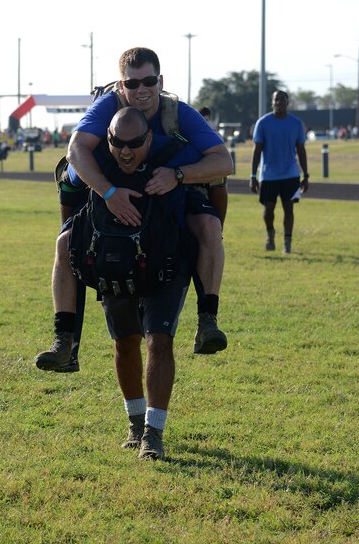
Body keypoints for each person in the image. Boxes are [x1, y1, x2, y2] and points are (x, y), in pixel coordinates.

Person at [35, 47, 233, 374]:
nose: (141, 90)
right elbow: (75, 151)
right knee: (64, 244)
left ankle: (207, 322)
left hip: (169, 187)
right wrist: (108, 193)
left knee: (211, 229)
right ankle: (65, 342)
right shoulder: (106, 108)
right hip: (112, 187)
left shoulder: (178, 113)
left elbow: (223, 161)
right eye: (133, 83)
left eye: (149, 81)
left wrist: (178, 175)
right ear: (120, 86)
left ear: (161, 81)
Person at [85, 107, 192, 460]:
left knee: (159, 342)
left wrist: (177, 174)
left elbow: (221, 167)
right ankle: (134, 422)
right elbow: (69, 181)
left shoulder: (173, 152)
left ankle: (153, 432)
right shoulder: (96, 160)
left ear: (149, 138)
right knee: (125, 343)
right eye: (117, 143)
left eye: (134, 143)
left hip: (166, 267)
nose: (125, 151)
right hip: (116, 267)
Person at [250, 90, 309, 254]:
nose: (279, 103)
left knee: (289, 209)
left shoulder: (296, 123)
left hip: (290, 174)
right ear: (272, 103)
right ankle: (270, 234)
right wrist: (253, 176)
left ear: (287, 103)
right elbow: (257, 150)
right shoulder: (263, 123)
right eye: (276, 100)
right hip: (269, 175)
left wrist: (306, 175)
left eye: (282, 100)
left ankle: (287, 243)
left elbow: (301, 150)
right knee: (268, 209)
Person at [199, 106, 230, 225]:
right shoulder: (190, 133)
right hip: (198, 176)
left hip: (212, 176)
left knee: (220, 183)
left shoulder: (216, 136)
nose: (205, 123)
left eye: (206, 120)